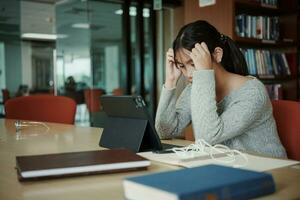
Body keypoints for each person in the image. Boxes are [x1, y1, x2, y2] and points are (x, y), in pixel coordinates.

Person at [155, 20, 287, 158]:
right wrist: (170, 81)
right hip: (226, 166)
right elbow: (165, 131)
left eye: (193, 63)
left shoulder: (253, 92)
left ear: (217, 54)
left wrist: (203, 75)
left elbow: (207, 138)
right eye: (182, 66)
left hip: (270, 169)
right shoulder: (195, 87)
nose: (188, 74)